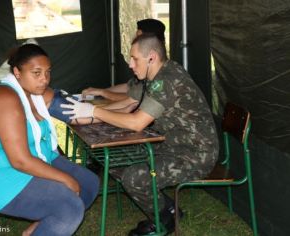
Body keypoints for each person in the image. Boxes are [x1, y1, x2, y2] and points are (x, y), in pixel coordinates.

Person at [61, 34, 219, 235]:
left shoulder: (168, 80)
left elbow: (137, 122)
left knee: (134, 178)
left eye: (134, 58)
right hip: (171, 145)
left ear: (151, 57)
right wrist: (87, 116)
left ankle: (163, 222)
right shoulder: (155, 75)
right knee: (118, 159)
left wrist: (94, 112)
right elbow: (128, 103)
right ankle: (169, 209)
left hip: (195, 154)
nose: (130, 64)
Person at [0, 43, 99, 236]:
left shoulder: (34, 92)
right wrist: (67, 180)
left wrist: (121, 110)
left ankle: (37, 228)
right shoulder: (4, 98)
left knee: (89, 183)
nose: (44, 79)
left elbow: (74, 111)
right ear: (17, 72)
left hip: (31, 157)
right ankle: (55, 216)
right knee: (68, 206)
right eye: (36, 73)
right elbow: (20, 161)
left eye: (47, 72)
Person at [81, 18, 166, 102]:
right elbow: (129, 86)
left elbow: (134, 100)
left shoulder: (162, 75)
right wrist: (99, 92)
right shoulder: (145, 67)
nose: (135, 40)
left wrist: (102, 93)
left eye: (138, 37)